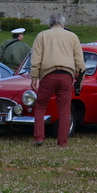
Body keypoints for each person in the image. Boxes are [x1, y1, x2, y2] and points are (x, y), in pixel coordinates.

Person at [30, 13, 85, 147]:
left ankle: (39, 137)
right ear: (63, 23)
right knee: (65, 110)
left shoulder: (42, 36)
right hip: (66, 75)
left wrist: (34, 77)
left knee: (41, 105)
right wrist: (80, 78)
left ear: (50, 22)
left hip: (48, 74)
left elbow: (36, 59)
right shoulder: (72, 37)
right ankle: (62, 141)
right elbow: (79, 60)